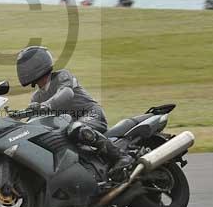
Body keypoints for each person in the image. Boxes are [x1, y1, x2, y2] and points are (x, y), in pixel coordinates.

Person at [15, 46, 134, 176]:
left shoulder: (62, 76)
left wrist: (46, 105)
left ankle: (121, 156)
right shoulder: (37, 97)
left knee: (76, 129)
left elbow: (66, 93)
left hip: (91, 114)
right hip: (69, 125)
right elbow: (35, 120)